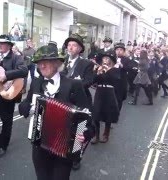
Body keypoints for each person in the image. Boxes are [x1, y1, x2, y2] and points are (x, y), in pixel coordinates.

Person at [18, 44, 94, 180]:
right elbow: (24, 104)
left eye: (45, 62)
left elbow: (87, 116)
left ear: (56, 63)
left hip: (64, 147)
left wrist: (85, 133)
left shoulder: (73, 85)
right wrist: (28, 108)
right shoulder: (36, 83)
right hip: (39, 145)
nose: (41, 66)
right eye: (39, 63)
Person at [62, 33, 94, 170]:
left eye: (74, 45)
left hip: (81, 101)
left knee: (80, 131)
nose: (70, 48)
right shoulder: (61, 61)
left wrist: (75, 84)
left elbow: (89, 81)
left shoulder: (86, 63)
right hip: (64, 101)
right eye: (69, 45)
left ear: (80, 49)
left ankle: (77, 156)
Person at [91, 52, 121, 143]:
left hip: (109, 92)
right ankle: (96, 135)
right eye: (104, 58)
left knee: (108, 114)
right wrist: (97, 72)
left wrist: (107, 70)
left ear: (111, 61)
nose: (105, 60)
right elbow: (93, 80)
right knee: (96, 113)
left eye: (107, 59)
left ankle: (105, 135)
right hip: (99, 91)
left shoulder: (115, 70)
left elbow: (115, 79)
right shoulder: (99, 69)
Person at [114, 43, 130, 110]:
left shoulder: (126, 59)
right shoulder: (112, 58)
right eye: (117, 49)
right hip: (113, 81)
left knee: (119, 99)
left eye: (121, 50)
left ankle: (117, 112)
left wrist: (121, 65)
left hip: (121, 82)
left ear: (123, 51)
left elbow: (128, 69)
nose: (119, 51)